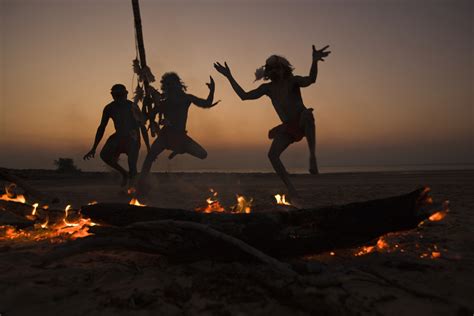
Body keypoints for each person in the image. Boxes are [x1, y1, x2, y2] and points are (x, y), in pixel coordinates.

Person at [214, 45, 330, 197]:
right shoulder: (267, 89)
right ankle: (291, 189)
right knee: (272, 155)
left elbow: (311, 80)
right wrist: (229, 76)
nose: (274, 71)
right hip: (289, 127)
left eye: (277, 68)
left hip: (302, 120)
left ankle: (312, 157)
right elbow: (244, 96)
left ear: (283, 69)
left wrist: (314, 61)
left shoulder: (293, 81)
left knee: (308, 115)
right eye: (271, 69)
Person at [140, 72, 218, 179]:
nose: (171, 87)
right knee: (149, 158)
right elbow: (146, 118)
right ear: (165, 87)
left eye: (172, 84)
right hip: (165, 136)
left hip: (180, 136)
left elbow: (207, 104)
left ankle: (180, 149)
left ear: (178, 85)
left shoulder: (186, 98)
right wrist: (145, 104)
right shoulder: (164, 103)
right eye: (168, 85)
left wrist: (212, 90)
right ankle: (141, 184)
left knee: (203, 154)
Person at [83, 84, 150, 187]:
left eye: (121, 95)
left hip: (133, 138)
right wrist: (94, 147)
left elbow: (142, 127)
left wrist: (148, 147)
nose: (119, 98)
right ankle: (124, 173)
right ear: (113, 96)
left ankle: (132, 190)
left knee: (132, 165)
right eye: (116, 95)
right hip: (118, 137)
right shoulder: (109, 108)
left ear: (126, 95)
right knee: (104, 155)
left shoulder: (132, 107)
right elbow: (102, 127)